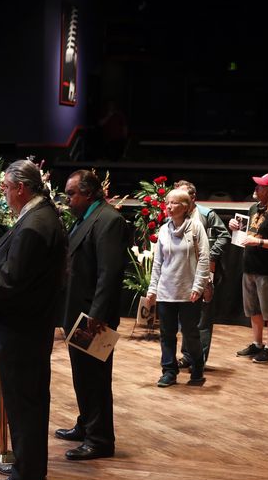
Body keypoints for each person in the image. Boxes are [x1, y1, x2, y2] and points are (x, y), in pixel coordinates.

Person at [0, 160, 66, 480]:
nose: (5, 193)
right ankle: (28, 464)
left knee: (25, 404)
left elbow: (12, 281)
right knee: (28, 402)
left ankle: (27, 475)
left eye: (7, 188)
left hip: (21, 331)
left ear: (21, 188)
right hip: (29, 328)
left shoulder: (34, 225)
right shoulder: (43, 216)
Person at [56, 170, 129, 460]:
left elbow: (109, 274)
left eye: (72, 193)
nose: (68, 199)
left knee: (95, 378)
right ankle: (86, 424)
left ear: (88, 193)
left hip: (94, 317)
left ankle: (100, 440)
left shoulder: (109, 220)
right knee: (82, 375)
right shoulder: (84, 219)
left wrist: (97, 315)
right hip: (78, 313)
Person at [145, 187, 210, 387]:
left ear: (185, 206)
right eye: (168, 203)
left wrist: (198, 286)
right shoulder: (164, 229)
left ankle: (197, 367)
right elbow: (158, 262)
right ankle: (169, 371)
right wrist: (152, 289)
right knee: (167, 334)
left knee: (190, 333)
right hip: (166, 291)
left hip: (189, 291)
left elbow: (204, 259)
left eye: (174, 203)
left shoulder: (196, 228)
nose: (169, 206)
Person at [229, 173, 268, 363]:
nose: (255, 189)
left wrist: (259, 242)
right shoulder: (254, 208)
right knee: (253, 309)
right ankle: (257, 343)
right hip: (250, 266)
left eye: (260, 186)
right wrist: (235, 227)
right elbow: (249, 232)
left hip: (267, 270)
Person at [174, 179, 231, 370]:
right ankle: (187, 356)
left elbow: (224, 235)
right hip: (183, 272)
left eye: (183, 196)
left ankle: (200, 359)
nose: (177, 200)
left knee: (203, 318)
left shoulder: (206, 214)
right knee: (185, 316)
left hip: (205, 271)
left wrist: (210, 256)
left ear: (193, 197)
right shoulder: (174, 215)